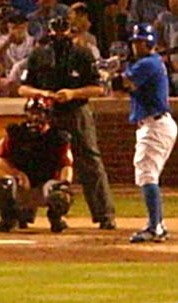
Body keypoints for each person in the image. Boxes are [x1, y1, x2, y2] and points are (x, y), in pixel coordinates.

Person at [19, 17, 116, 230]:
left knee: (90, 162)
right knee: (37, 161)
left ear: (71, 31)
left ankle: (104, 214)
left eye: (64, 30)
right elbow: (23, 88)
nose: (60, 35)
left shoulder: (82, 54)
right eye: (56, 30)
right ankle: (26, 214)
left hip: (76, 112)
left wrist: (72, 93)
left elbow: (98, 88)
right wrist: (42, 93)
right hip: (46, 113)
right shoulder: (39, 54)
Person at [123, 24, 178, 243]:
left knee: (147, 174)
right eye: (135, 42)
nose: (136, 46)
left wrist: (108, 72)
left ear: (150, 43)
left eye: (140, 42)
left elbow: (125, 83)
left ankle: (154, 227)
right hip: (156, 124)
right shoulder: (149, 63)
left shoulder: (148, 63)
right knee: (148, 173)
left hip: (155, 124)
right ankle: (158, 224)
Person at [0, 97, 74, 233]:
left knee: (61, 193)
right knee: (0, 186)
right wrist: (18, 174)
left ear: (47, 115)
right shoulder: (16, 133)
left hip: (46, 185)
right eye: (32, 113)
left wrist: (64, 184)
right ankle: (9, 218)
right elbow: (1, 159)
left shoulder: (57, 136)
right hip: (23, 184)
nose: (35, 117)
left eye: (39, 113)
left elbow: (66, 165)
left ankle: (55, 219)